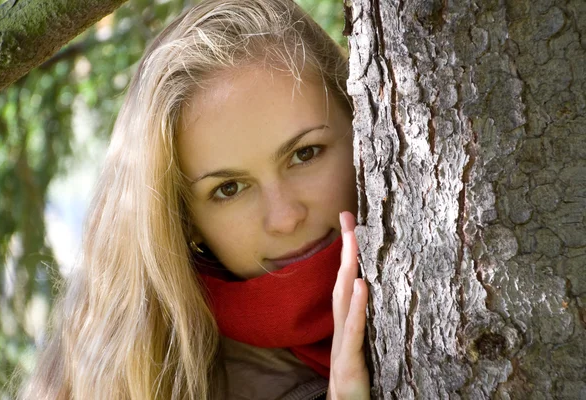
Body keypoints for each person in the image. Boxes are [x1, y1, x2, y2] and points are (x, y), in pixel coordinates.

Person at [20, 0, 370, 398]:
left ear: (365, 122)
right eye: (229, 189)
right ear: (186, 220)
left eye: (304, 154)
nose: (285, 217)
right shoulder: (160, 381)